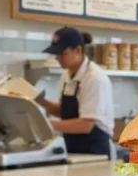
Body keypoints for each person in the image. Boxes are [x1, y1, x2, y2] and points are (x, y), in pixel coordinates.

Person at [38, 27, 115, 158]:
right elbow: (65, 112)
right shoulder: (67, 75)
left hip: (96, 153)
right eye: (56, 54)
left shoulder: (94, 78)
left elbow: (86, 125)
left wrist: (45, 124)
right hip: (73, 149)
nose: (57, 58)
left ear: (78, 50)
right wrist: (38, 101)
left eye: (62, 53)